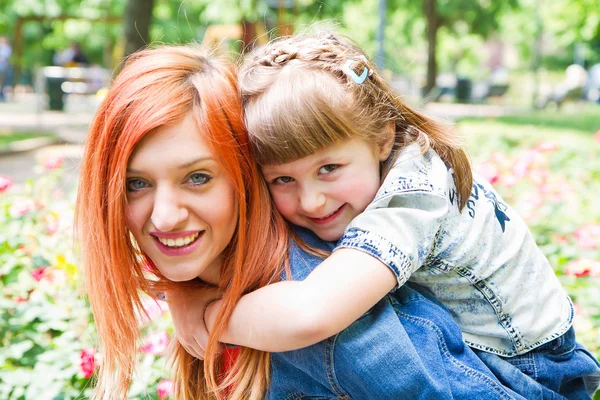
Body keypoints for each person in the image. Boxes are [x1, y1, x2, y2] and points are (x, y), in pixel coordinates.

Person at [76, 43, 529, 400]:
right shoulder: (225, 283)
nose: (166, 215)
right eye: (136, 184)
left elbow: (314, 315)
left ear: (243, 174)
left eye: (198, 177)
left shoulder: (324, 302)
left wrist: (209, 317)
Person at [171, 32, 600, 399]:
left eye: (328, 169)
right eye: (282, 179)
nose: (313, 201)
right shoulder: (362, 174)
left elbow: (311, 313)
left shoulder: (415, 193)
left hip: (526, 374)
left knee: (320, 312)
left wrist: (206, 318)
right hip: (488, 354)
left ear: (382, 137)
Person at [0, 36, 12, 101]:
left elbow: (5, 57)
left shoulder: (6, 48)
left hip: (3, 67)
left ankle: (1, 93)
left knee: (3, 81)